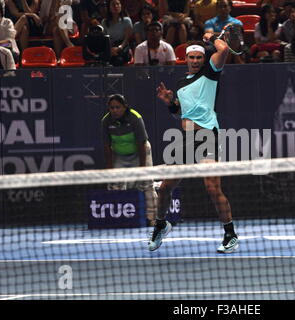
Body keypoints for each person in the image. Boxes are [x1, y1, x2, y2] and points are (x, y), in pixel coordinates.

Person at [149, 35, 239, 253]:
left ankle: (230, 235)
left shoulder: (210, 72)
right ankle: (161, 225)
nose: (196, 60)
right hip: (186, 140)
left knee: (212, 187)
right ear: (186, 58)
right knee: (164, 188)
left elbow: (224, 50)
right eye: (192, 57)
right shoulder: (181, 84)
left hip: (208, 136)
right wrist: (170, 102)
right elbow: (181, 111)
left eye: (200, 57)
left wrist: (213, 37)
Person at [102, 93, 157, 226]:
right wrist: (110, 170)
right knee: (115, 184)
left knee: (146, 184)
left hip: (140, 151)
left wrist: (142, 168)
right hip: (120, 155)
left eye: (117, 107)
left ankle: (153, 218)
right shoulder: (106, 121)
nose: (114, 110)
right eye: (112, 108)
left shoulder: (135, 118)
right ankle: (118, 217)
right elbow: (107, 146)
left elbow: (141, 143)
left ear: (125, 107)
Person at [102, 0, 133, 66]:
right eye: (113, 4)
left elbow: (127, 38)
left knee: (118, 60)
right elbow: (105, 38)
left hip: (123, 47)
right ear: (109, 7)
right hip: (110, 47)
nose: (116, 6)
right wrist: (110, 49)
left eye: (118, 4)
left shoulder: (127, 20)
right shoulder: (104, 22)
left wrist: (120, 48)